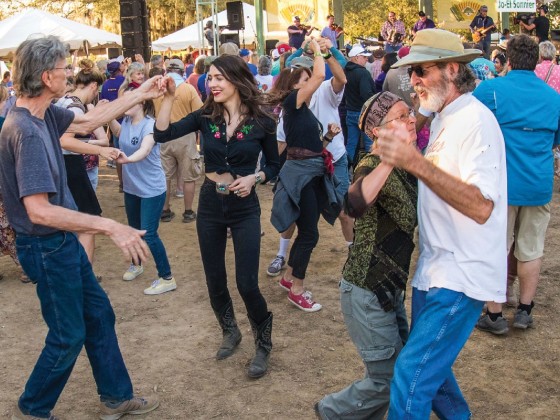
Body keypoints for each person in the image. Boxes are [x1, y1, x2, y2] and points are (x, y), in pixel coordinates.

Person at [0, 35, 161, 420]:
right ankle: (34, 408)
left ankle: (116, 397)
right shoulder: (26, 132)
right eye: (64, 69)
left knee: (99, 316)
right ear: (46, 77)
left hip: (61, 245)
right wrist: (109, 225)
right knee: (67, 336)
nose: (69, 74)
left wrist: (140, 93)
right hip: (46, 247)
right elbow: (39, 211)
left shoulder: (41, 114)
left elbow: (89, 120)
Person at [373, 29, 507, 418]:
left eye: (422, 71)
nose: (412, 81)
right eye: (411, 72)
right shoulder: (446, 118)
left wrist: (413, 162)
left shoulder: (476, 121)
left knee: (412, 375)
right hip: (435, 272)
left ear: (452, 69)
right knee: (437, 379)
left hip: (461, 274)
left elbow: (483, 206)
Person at [154, 55, 279, 378]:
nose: (213, 84)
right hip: (210, 203)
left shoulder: (263, 120)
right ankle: (230, 331)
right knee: (214, 277)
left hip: (244, 205)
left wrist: (256, 178)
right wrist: (168, 98)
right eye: (209, 78)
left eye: (219, 78)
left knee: (247, 282)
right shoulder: (205, 117)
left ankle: (262, 344)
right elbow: (163, 134)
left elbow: (275, 166)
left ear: (237, 80)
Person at [316, 91, 418, 420]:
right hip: (366, 290)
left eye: (410, 113)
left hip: (389, 289)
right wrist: (388, 157)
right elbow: (354, 204)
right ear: (377, 131)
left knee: (400, 372)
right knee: (386, 380)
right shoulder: (372, 163)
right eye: (401, 117)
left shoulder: (408, 164)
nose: (411, 120)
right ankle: (329, 412)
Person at [474, 34, 560, 335]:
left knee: (498, 246)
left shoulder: (490, 89)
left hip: (502, 184)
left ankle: (494, 314)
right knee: (532, 249)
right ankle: (524, 310)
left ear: (507, 60)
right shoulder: (554, 98)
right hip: (538, 184)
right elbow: (555, 142)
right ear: (537, 62)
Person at [268, 37, 352, 280]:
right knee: (304, 224)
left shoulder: (313, 102)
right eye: (303, 77)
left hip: (328, 163)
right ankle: (287, 265)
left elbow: (339, 78)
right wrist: (273, 173)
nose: (311, 78)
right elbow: (282, 145)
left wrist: (326, 137)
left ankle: (349, 255)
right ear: (295, 85)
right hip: (304, 172)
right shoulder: (292, 105)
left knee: (338, 213)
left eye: (308, 73)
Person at [108, 88, 177, 295]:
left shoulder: (150, 126)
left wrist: (127, 160)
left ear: (141, 103)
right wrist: (105, 112)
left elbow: (144, 150)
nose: (125, 103)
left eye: (130, 100)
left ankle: (167, 277)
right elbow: (119, 133)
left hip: (151, 189)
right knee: (134, 229)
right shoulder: (128, 122)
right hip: (132, 188)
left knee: (149, 233)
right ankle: (137, 264)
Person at [56, 66, 115, 265]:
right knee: (89, 222)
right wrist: (100, 150)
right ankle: (85, 274)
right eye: (97, 91)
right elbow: (65, 141)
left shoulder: (63, 100)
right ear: (93, 86)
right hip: (70, 166)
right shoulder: (76, 106)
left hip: (60, 165)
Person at [154, 58, 204, 223]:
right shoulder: (188, 89)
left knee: (165, 176)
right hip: (185, 137)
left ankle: (165, 210)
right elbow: (200, 112)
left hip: (163, 137)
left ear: (166, 71)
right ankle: (188, 212)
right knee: (189, 176)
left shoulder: (158, 89)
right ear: (183, 71)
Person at [344, 44, 375, 166]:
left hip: (350, 111)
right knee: (369, 144)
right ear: (356, 58)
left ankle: (346, 169)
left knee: (351, 144)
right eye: (364, 57)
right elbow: (366, 94)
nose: (366, 59)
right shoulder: (363, 73)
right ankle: (370, 168)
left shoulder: (345, 71)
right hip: (364, 112)